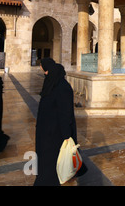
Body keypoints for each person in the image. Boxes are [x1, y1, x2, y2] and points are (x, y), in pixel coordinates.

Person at [34, 58, 87, 186]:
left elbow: (65, 115)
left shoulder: (62, 88)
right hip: (47, 133)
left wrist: (67, 136)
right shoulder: (52, 84)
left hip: (56, 133)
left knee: (54, 162)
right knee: (48, 162)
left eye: (46, 72)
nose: (45, 74)